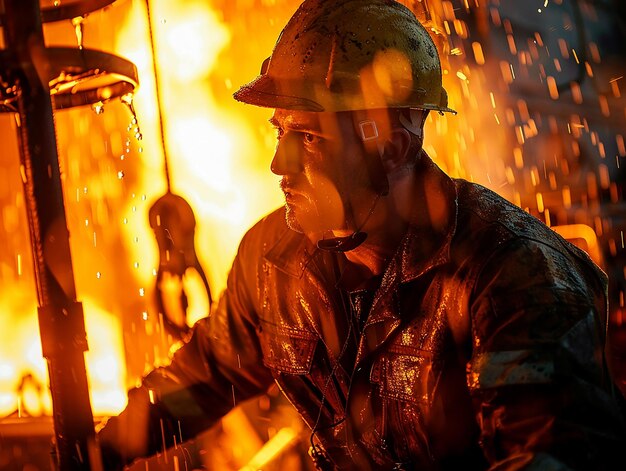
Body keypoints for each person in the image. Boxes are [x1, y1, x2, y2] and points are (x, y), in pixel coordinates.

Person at [98, 0, 626, 469]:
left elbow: (545, 454)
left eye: (308, 137)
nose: (278, 164)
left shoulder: (513, 276)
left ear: (393, 150)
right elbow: (206, 376)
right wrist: (99, 451)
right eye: (279, 130)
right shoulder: (273, 262)